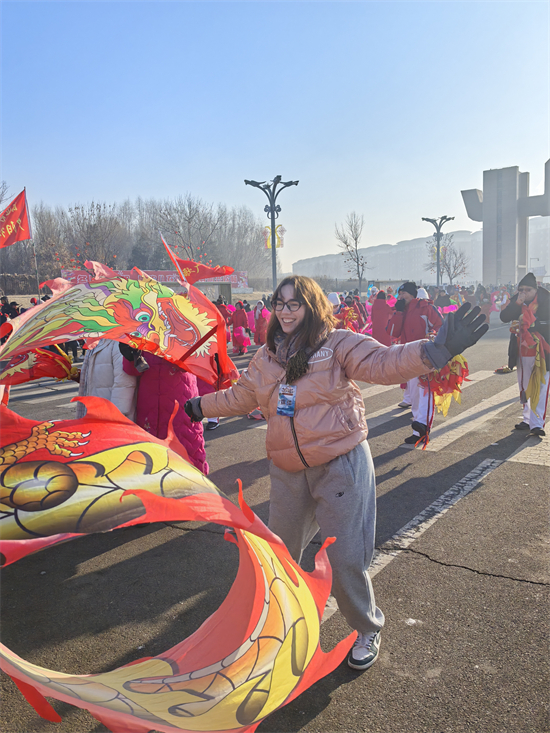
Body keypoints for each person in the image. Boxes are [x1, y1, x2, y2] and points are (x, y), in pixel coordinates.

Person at [184, 275, 487, 671]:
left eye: (295, 304)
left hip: (339, 466)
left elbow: (384, 363)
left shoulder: (337, 343)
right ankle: (281, 626)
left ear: (311, 306)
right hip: (288, 473)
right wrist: (200, 407)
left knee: (345, 560)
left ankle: (367, 627)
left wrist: (436, 350)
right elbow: (241, 396)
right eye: (280, 303)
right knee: (280, 558)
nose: (286, 311)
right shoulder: (266, 356)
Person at [122, 349, 209, 472]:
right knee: (152, 462)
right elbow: (133, 371)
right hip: (149, 405)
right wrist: (130, 357)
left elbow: (196, 364)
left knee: (185, 448)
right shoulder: (143, 335)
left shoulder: (185, 332)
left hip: (180, 399)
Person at [387, 282, 444, 444]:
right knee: (413, 394)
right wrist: (398, 313)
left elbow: (441, 326)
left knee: (425, 391)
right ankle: (417, 431)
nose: (401, 296)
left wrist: (432, 337)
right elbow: (392, 332)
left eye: (404, 293)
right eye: (399, 293)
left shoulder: (425, 308)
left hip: (425, 356)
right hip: (407, 357)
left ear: (412, 294)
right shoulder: (400, 311)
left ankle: (423, 425)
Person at [500, 273, 549, 437]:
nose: (524, 292)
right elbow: (504, 317)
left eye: (528, 290)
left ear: (536, 290)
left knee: (540, 388)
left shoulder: (546, 300)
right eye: (521, 289)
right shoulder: (517, 300)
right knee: (524, 387)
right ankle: (527, 420)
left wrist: (532, 325)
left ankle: (537, 424)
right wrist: (517, 304)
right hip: (521, 351)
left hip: (543, 352)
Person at [75, 338, 138, 420]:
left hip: (110, 417)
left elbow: (124, 384)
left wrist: (116, 418)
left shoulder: (119, 343)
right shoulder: (97, 342)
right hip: (96, 411)